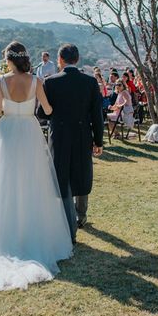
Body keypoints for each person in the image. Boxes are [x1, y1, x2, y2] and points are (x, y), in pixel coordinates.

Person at [0, 41, 73, 291]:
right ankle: (32, 232)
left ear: (8, 59)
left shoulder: (0, 82)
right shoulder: (36, 81)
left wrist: (5, 107)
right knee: (32, 181)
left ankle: (6, 236)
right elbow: (47, 109)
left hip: (7, 132)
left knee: (5, 182)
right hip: (29, 129)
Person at [40, 43, 104, 241]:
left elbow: (43, 113)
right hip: (83, 134)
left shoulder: (50, 82)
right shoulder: (90, 82)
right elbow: (97, 115)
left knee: (62, 173)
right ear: (77, 59)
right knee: (82, 172)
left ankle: (66, 218)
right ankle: (81, 215)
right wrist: (98, 141)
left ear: (60, 60)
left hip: (59, 135)